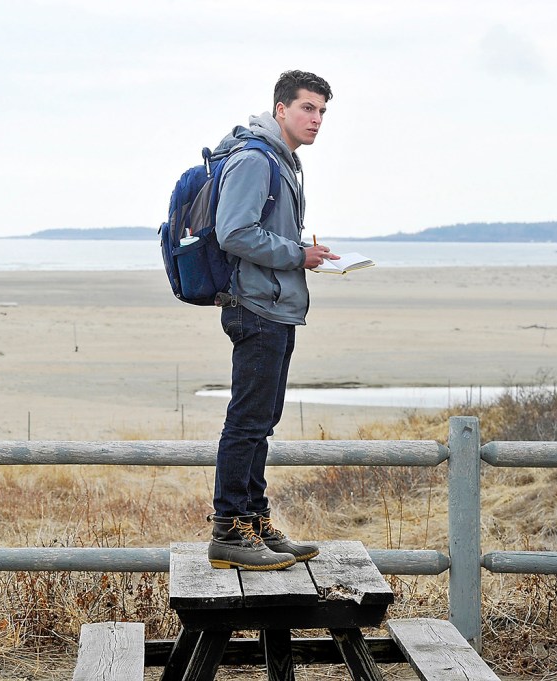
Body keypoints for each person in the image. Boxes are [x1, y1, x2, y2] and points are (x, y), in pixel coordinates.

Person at [206, 70, 339, 570]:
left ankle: (254, 521)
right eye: (307, 108)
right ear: (281, 109)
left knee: (262, 422)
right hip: (256, 307)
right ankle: (228, 530)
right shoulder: (255, 159)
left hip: (275, 306)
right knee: (246, 422)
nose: (317, 119)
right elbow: (234, 233)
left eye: (322, 111)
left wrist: (304, 252)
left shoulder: (283, 162)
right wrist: (297, 254)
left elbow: (264, 234)